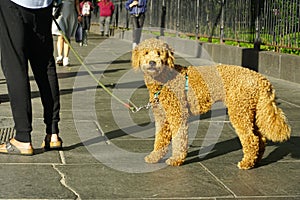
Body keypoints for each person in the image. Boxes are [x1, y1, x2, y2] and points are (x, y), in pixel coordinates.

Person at [0, 0, 62, 155]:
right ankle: (53, 133)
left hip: (13, 3)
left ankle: (23, 137)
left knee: (15, 66)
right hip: (43, 5)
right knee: (46, 66)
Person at [52, 0, 81, 66]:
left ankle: (66, 57)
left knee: (67, 36)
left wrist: (79, 14)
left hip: (71, 13)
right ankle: (59, 56)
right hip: (60, 12)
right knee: (61, 34)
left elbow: (77, 3)